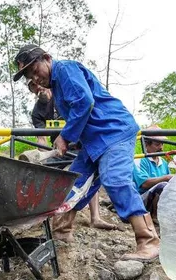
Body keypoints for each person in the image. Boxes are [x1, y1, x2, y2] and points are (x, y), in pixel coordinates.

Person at [13, 44, 159, 261]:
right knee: (73, 184)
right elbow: (82, 114)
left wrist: (66, 136)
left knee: (115, 180)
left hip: (113, 131)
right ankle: (61, 235)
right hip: (94, 141)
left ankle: (149, 242)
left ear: (47, 58)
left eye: (36, 70)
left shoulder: (64, 70)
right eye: (30, 76)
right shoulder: (57, 86)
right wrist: (76, 141)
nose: (36, 78)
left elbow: (85, 102)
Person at [27, 81, 119, 231]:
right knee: (48, 172)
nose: (38, 88)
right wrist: (41, 158)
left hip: (83, 144)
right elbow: (41, 137)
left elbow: (83, 113)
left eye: (38, 83)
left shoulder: (63, 97)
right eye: (32, 86)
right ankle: (43, 216)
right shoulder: (38, 111)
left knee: (89, 174)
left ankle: (95, 217)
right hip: (60, 150)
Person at [132, 125, 172, 224]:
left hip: (159, 201)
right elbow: (144, 183)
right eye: (157, 144)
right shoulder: (139, 160)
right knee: (162, 186)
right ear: (146, 144)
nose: (161, 148)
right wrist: (166, 177)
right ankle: (155, 217)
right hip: (141, 200)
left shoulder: (163, 162)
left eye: (162, 144)